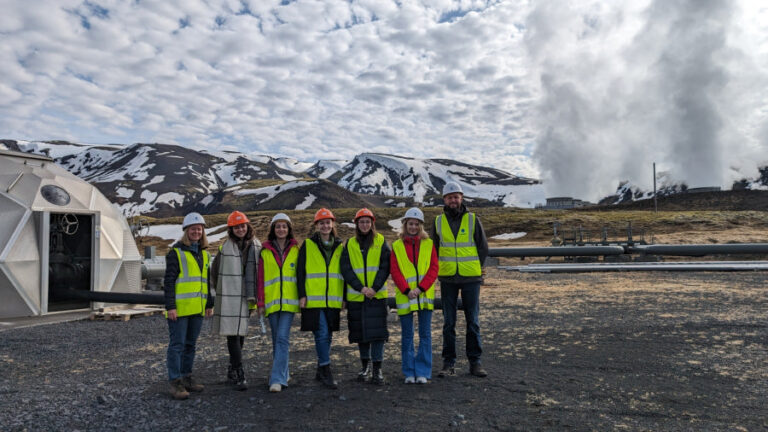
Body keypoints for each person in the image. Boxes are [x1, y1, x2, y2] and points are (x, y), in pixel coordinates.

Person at [431, 182, 489, 378]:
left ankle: (475, 362)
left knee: (473, 321)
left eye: (456, 196)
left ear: (461, 198)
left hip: (470, 278)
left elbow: (483, 247)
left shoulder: (473, 219)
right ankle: (449, 363)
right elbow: (434, 250)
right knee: (449, 322)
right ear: (444, 200)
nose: (453, 200)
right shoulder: (438, 222)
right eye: (449, 197)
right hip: (448, 277)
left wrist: (476, 268)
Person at [163, 212, 214, 400]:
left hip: (198, 309)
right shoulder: (176, 253)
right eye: (193, 229)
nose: (196, 232)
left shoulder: (205, 254)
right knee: (177, 345)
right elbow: (168, 282)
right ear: (186, 231)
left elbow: (206, 282)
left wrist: (209, 304)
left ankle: (187, 377)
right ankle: (175, 382)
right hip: (181, 309)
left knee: (190, 345)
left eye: (199, 229)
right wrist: (170, 307)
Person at [210, 211, 262, 391]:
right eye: (236, 227)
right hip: (231, 296)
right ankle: (239, 371)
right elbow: (215, 272)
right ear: (231, 229)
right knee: (233, 333)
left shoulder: (256, 246)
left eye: (242, 226)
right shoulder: (225, 248)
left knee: (240, 333)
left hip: (248, 296)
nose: (240, 229)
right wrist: (222, 292)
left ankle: (232, 368)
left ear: (247, 226)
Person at [340, 208, 391, 385]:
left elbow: (385, 266)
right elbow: (345, 269)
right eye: (361, 221)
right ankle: (365, 367)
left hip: (376, 297)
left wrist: (374, 288)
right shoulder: (350, 244)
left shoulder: (381, 241)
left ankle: (377, 370)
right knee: (361, 334)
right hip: (357, 297)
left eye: (367, 221)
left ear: (372, 223)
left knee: (377, 335)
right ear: (356, 223)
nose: (364, 224)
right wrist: (360, 288)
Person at [390, 207, 438, 384]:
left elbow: (434, 269)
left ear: (421, 226)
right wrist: (406, 290)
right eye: (410, 223)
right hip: (405, 297)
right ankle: (409, 371)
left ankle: (423, 371)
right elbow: (395, 271)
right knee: (407, 335)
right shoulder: (396, 246)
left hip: (423, 296)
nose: (413, 227)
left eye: (416, 224)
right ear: (405, 225)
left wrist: (420, 288)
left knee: (425, 334)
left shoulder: (429, 244)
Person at [297, 208, 344, 389]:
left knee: (328, 335)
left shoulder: (340, 246)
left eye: (328, 222)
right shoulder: (308, 245)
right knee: (322, 333)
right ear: (316, 225)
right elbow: (300, 272)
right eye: (322, 223)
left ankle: (320, 367)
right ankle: (326, 369)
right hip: (314, 300)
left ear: (332, 224)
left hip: (333, 299)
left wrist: (344, 297)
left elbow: (344, 273)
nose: (325, 226)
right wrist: (302, 295)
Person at [257, 213, 300, 393]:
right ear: (273, 229)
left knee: (282, 338)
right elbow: (260, 278)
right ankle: (285, 371)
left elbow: (301, 274)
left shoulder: (297, 250)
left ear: (289, 229)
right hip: (272, 302)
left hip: (289, 302)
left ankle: (277, 379)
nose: (281, 229)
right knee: (276, 340)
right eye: (278, 226)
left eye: (284, 226)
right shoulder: (265, 250)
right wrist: (260, 301)